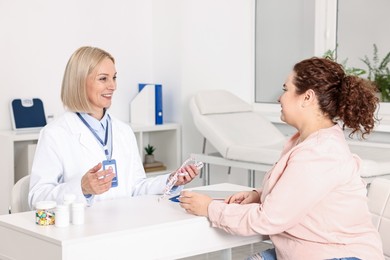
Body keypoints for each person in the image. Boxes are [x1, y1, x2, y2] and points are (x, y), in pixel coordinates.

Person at [179, 57, 384, 260]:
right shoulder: (305, 142)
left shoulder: (320, 152)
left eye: (286, 89)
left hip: (338, 255)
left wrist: (209, 208)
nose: (280, 98)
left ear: (307, 97)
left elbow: (267, 219)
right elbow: (301, 191)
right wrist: (259, 195)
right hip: (307, 250)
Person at [28, 46, 199, 208]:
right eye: (103, 78)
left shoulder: (123, 131)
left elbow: (137, 188)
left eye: (114, 77)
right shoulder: (55, 134)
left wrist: (171, 180)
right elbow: (37, 198)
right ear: (79, 82)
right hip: (81, 232)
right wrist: (82, 189)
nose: (113, 86)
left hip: (122, 226)